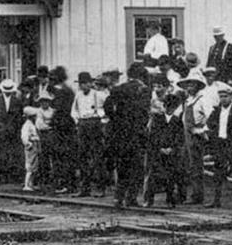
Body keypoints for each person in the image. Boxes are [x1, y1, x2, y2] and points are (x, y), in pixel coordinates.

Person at [104, 62, 152, 209]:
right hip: (136, 134)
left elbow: (107, 107)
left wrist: (116, 119)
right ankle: (131, 198)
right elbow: (144, 112)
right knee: (137, 167)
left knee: (122, 166)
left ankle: (118, 198)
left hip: (120, 134)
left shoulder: (118, 89)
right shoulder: (144, 90)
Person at [145, 91, 186, 207]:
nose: (170, 109)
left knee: (171, 176)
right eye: (168, 106)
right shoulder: (157, 119)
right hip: (157, 152)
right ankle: (149, 200)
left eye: (173, 107)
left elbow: (180, 137)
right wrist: (160, 148)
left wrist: (172, 148)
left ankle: (169, 199)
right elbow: (152, 136)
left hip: (171, 152)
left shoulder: (177, 121)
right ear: (164, 106)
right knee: (153, 176)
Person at [178, 70, 210, 205]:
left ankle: (197, 195)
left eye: (192, 85)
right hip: (186, 135)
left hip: (196, 136)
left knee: (196, 166)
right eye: (188, 85)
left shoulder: (202, 100)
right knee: (184, 164)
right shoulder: (187, 101)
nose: (190, 87)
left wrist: (202, 130)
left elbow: (211, 117)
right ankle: (182, 195)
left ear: (198, 86)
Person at [73, 72, 106, 197]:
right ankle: (84, 188)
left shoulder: (98, 95)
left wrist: (101, 119)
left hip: (95, 123)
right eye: (81, 84)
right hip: (82, 124)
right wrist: (78, 121)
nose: (83, 86)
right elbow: (74, 111)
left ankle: (100, 188)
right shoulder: (78, 96)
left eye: (86, 83)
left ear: (90, 83)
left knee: (97, 157)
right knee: (82, 156)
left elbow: (106, 109)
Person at [0, 79, 25, 184]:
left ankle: (11, 175)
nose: (7, 92)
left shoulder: (17, 101)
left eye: (9, 90)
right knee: (0, 153)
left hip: (13, 130)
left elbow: (19, 116)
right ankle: (0, 175)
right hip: (0, 129)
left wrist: (17, 127)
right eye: (6, 90)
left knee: (12, 153)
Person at [48, 67, 77, 194]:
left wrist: (52, 120)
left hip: (62, 128)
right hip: (67, 127)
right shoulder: (68, 90)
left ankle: (65, 183)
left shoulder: (61, 92)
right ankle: (68, 183)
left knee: (61, 156)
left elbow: (58, 109)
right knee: (66, 156)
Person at [21, 106, 42, 192]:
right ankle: (27, 184)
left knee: (34, 165)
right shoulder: (27, 125)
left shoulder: (32, 124)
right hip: (31, 145)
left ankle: (31, 184)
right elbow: (24, 136)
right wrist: (28, 144)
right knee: (30, 165)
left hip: (35, 144)